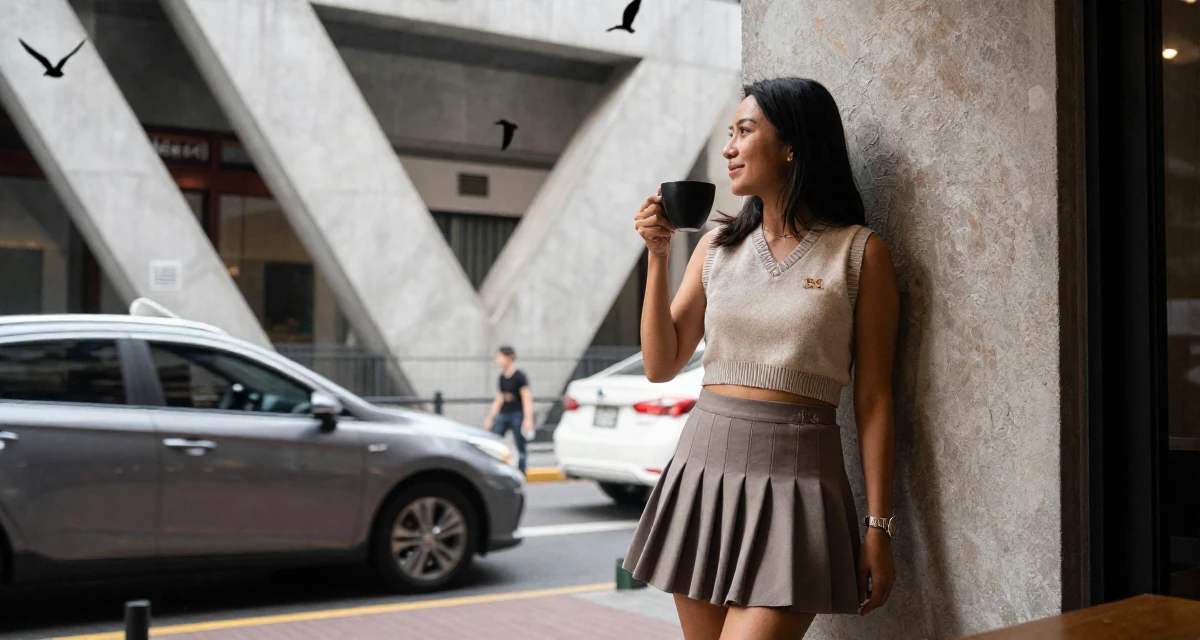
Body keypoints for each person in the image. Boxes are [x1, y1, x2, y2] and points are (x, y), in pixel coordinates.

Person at [622, 77, 899, 640]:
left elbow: (874, 399)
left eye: (744, 131)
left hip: (798, 485)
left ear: (792, 146)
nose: (728, 148)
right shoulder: (716, 248)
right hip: (704, 472)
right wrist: (657, 256)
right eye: (730, 133)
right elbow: (660, 364)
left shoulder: (859, 253)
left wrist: (878, 526)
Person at [483, 346, 535, 475]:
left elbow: (526, 397)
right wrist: (490, 418)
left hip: (517, 414)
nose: (498, 360)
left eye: (500, 357)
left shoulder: (519, 376)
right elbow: (499, 398)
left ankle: (521, 473)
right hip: (504, 414)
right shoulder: (501, 377)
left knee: (520, 445)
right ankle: (494, 469)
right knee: (494, 440)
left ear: (508, 357)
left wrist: (528, 419)